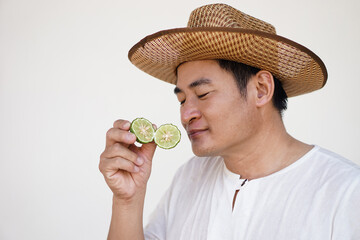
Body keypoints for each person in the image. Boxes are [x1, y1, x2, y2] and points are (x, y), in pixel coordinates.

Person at [99, 3, 360, 240]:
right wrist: (128, 201)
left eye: (202, 94)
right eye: (182, 100)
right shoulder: (190, 177)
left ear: (261, 89)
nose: (185, 114)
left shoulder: (345, 192)